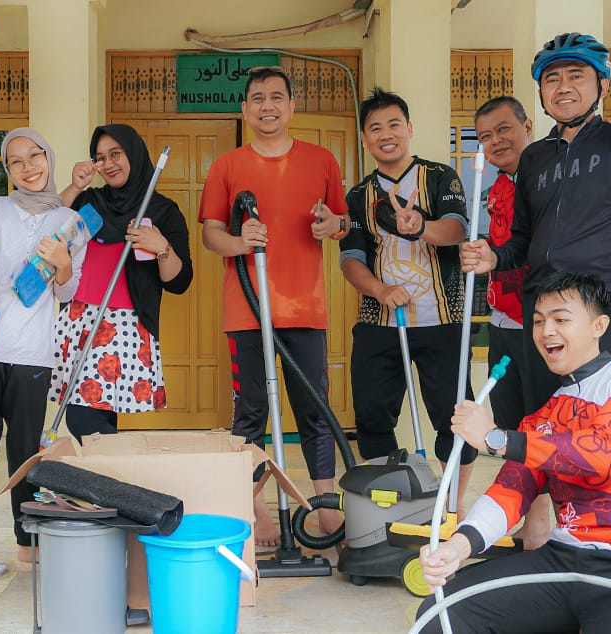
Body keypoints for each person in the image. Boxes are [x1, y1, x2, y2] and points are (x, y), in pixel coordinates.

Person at [416, 272, 611, 634]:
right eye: (538, 321)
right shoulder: (544, 416)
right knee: (439, 615)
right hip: (563, 560)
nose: (546, 331)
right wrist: (456, 548)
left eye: (561, 319)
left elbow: (604, 452)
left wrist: (496, 438)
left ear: (599, 326)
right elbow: (510, 491)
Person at [460, 32, 611, 412]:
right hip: (544, 309)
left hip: (606, 306)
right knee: (544, 422)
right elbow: (523, 239)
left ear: (602, 85)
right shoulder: (534, 158)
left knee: (607, 424)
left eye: (576, 75)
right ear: (541, 93)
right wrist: (493, 257)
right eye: (552, 79)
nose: (563, 87)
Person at [199, 66, 350, 546]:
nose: (268, 106)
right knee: (251, 413)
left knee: (315, 410)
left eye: (277, 97)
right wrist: (240, 241)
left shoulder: (322, 160)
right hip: (247, 311)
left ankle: (325, 506)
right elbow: (210, 234)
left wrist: (333, 225)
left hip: (306, 309)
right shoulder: (226, 166)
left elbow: (342, 221)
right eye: (258, 98)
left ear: (291, 105)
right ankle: (256, 507)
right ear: (245, 109)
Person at [0, 128, 85, 573]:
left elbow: (67, 293)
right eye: (16, 161)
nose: (28, 167)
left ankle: (27, 542)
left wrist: (63, 264)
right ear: (6, 170)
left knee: (26, 454)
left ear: (49, 157)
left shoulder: (71, 221)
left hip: (32, 355)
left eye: (35, 156)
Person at [339, 87, 475, 507]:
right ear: (365, 139)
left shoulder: (440, 177)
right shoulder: (358, 196)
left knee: (455, 419)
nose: (386, 134)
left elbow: (456, 230)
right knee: (372, 418)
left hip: (443, 320)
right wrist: (379, 290)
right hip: (380, 323)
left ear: (410, 129)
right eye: (375, 128)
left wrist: (419, 227)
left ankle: (451, 508)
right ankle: (390, 505)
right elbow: (351, 260)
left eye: (394, 124)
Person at [50, 124, 193, 440]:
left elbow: (180, 282)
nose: (108, 163)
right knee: (94, 415)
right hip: (77, 320)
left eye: (115, 153)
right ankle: (114, 470)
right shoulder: (89, 202)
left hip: (125, 326)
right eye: (100, 158)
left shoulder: (162, 211)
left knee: (83, 417)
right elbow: (48, 227)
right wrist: (74, 186)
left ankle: (119, 470)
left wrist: (161, 248)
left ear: (134, 153)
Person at [473, 95, 553, 547]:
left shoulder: (546, 180)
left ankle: (552, 525)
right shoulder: (498, 186)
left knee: (544, 426)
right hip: (503, 320)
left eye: (504, 129)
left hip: (540, 325)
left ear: (527, 126)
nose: (496, 141)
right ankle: (534, 522)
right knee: (513, 425)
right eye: (486, 136)